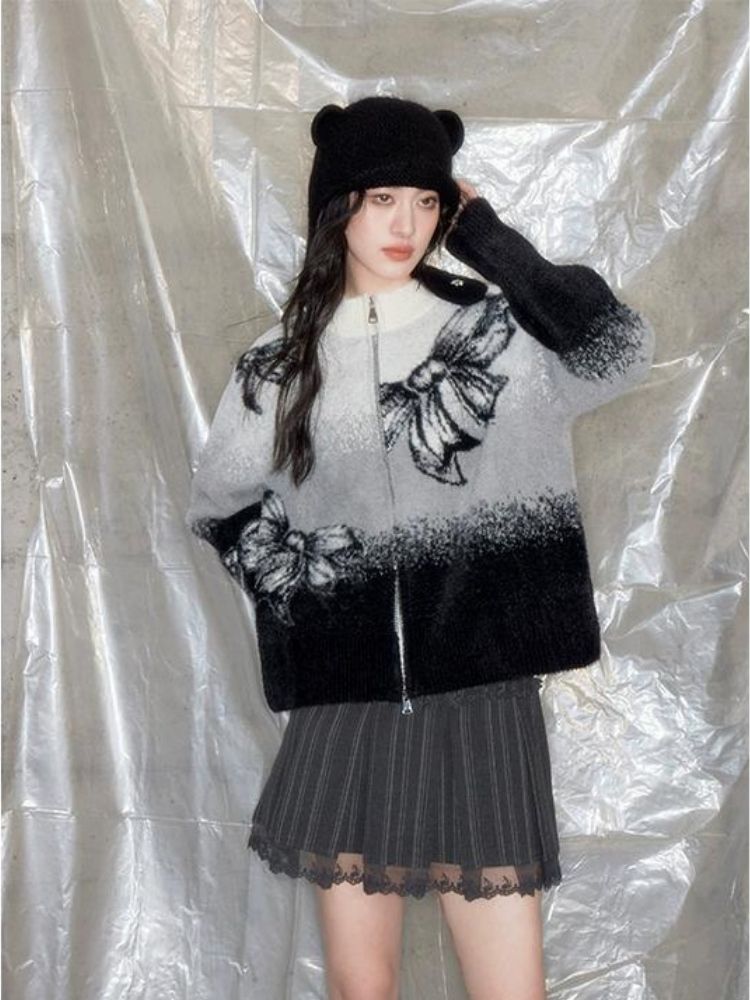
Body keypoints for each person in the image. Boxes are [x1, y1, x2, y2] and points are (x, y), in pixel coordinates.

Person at [185, 95, 655, 1000]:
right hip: (348, 703)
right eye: (381, 199)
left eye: (427, 201)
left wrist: (492, 243)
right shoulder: (280, 364)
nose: (405, 225)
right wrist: (308, 586)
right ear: (338, 206)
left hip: (484, 699)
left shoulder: (499, 331)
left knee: (511, 989)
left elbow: (619, 349)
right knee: (362, 987)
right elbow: (220, 506)